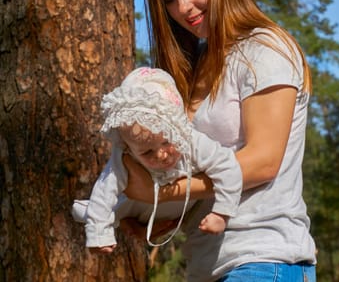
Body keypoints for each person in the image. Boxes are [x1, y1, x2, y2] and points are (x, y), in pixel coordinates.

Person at [123, 0, 317, 280]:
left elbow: (262, 162)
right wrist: (157, 213)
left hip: (264, 259)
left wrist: (164, 191)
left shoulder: (264, 49)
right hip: (207, 265)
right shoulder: (195, 65)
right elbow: (204, 171)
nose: (183, 8)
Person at [71, 67, 242, 254]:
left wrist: (221, 213)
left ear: (179, 128)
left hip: (178, 204)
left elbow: (228, 167)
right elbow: (105, 189)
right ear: (129, 148)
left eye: (167, 141)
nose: (161, 155)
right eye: (147, 152)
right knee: (110, 203)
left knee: (115, 207)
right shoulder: (125, 156)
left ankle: (98, 214)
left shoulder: (193, 141)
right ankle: (97, 218)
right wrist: (98, 236)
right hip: (141, 204)